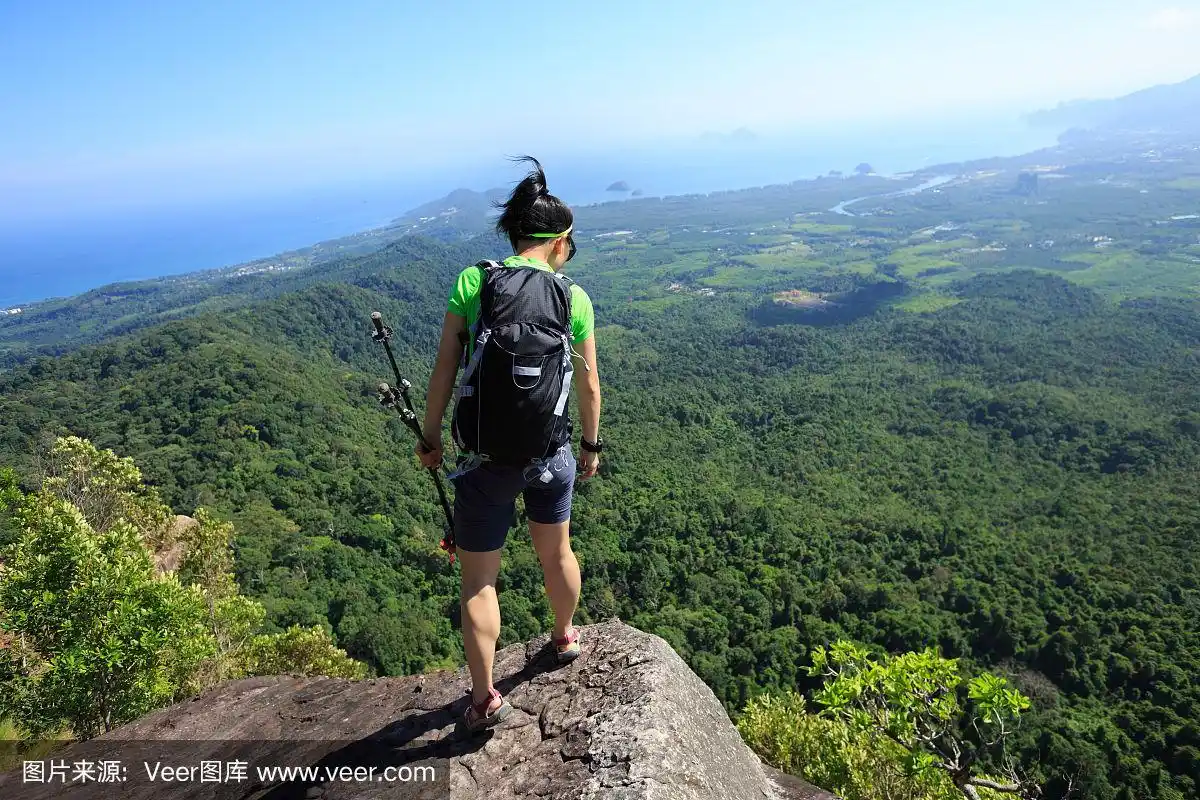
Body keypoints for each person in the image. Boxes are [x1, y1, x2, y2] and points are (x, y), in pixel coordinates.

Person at [417, 157, 603, 732]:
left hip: (483, 461)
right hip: (551, 455)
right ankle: (564, 637)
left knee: (479, 582)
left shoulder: (475, 281)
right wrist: (592, 448)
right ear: (559, 242)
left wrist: (430, 439)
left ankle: (482, 699)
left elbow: (445, 369)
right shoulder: (574, 298)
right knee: (558, 553)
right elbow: (591, 384)